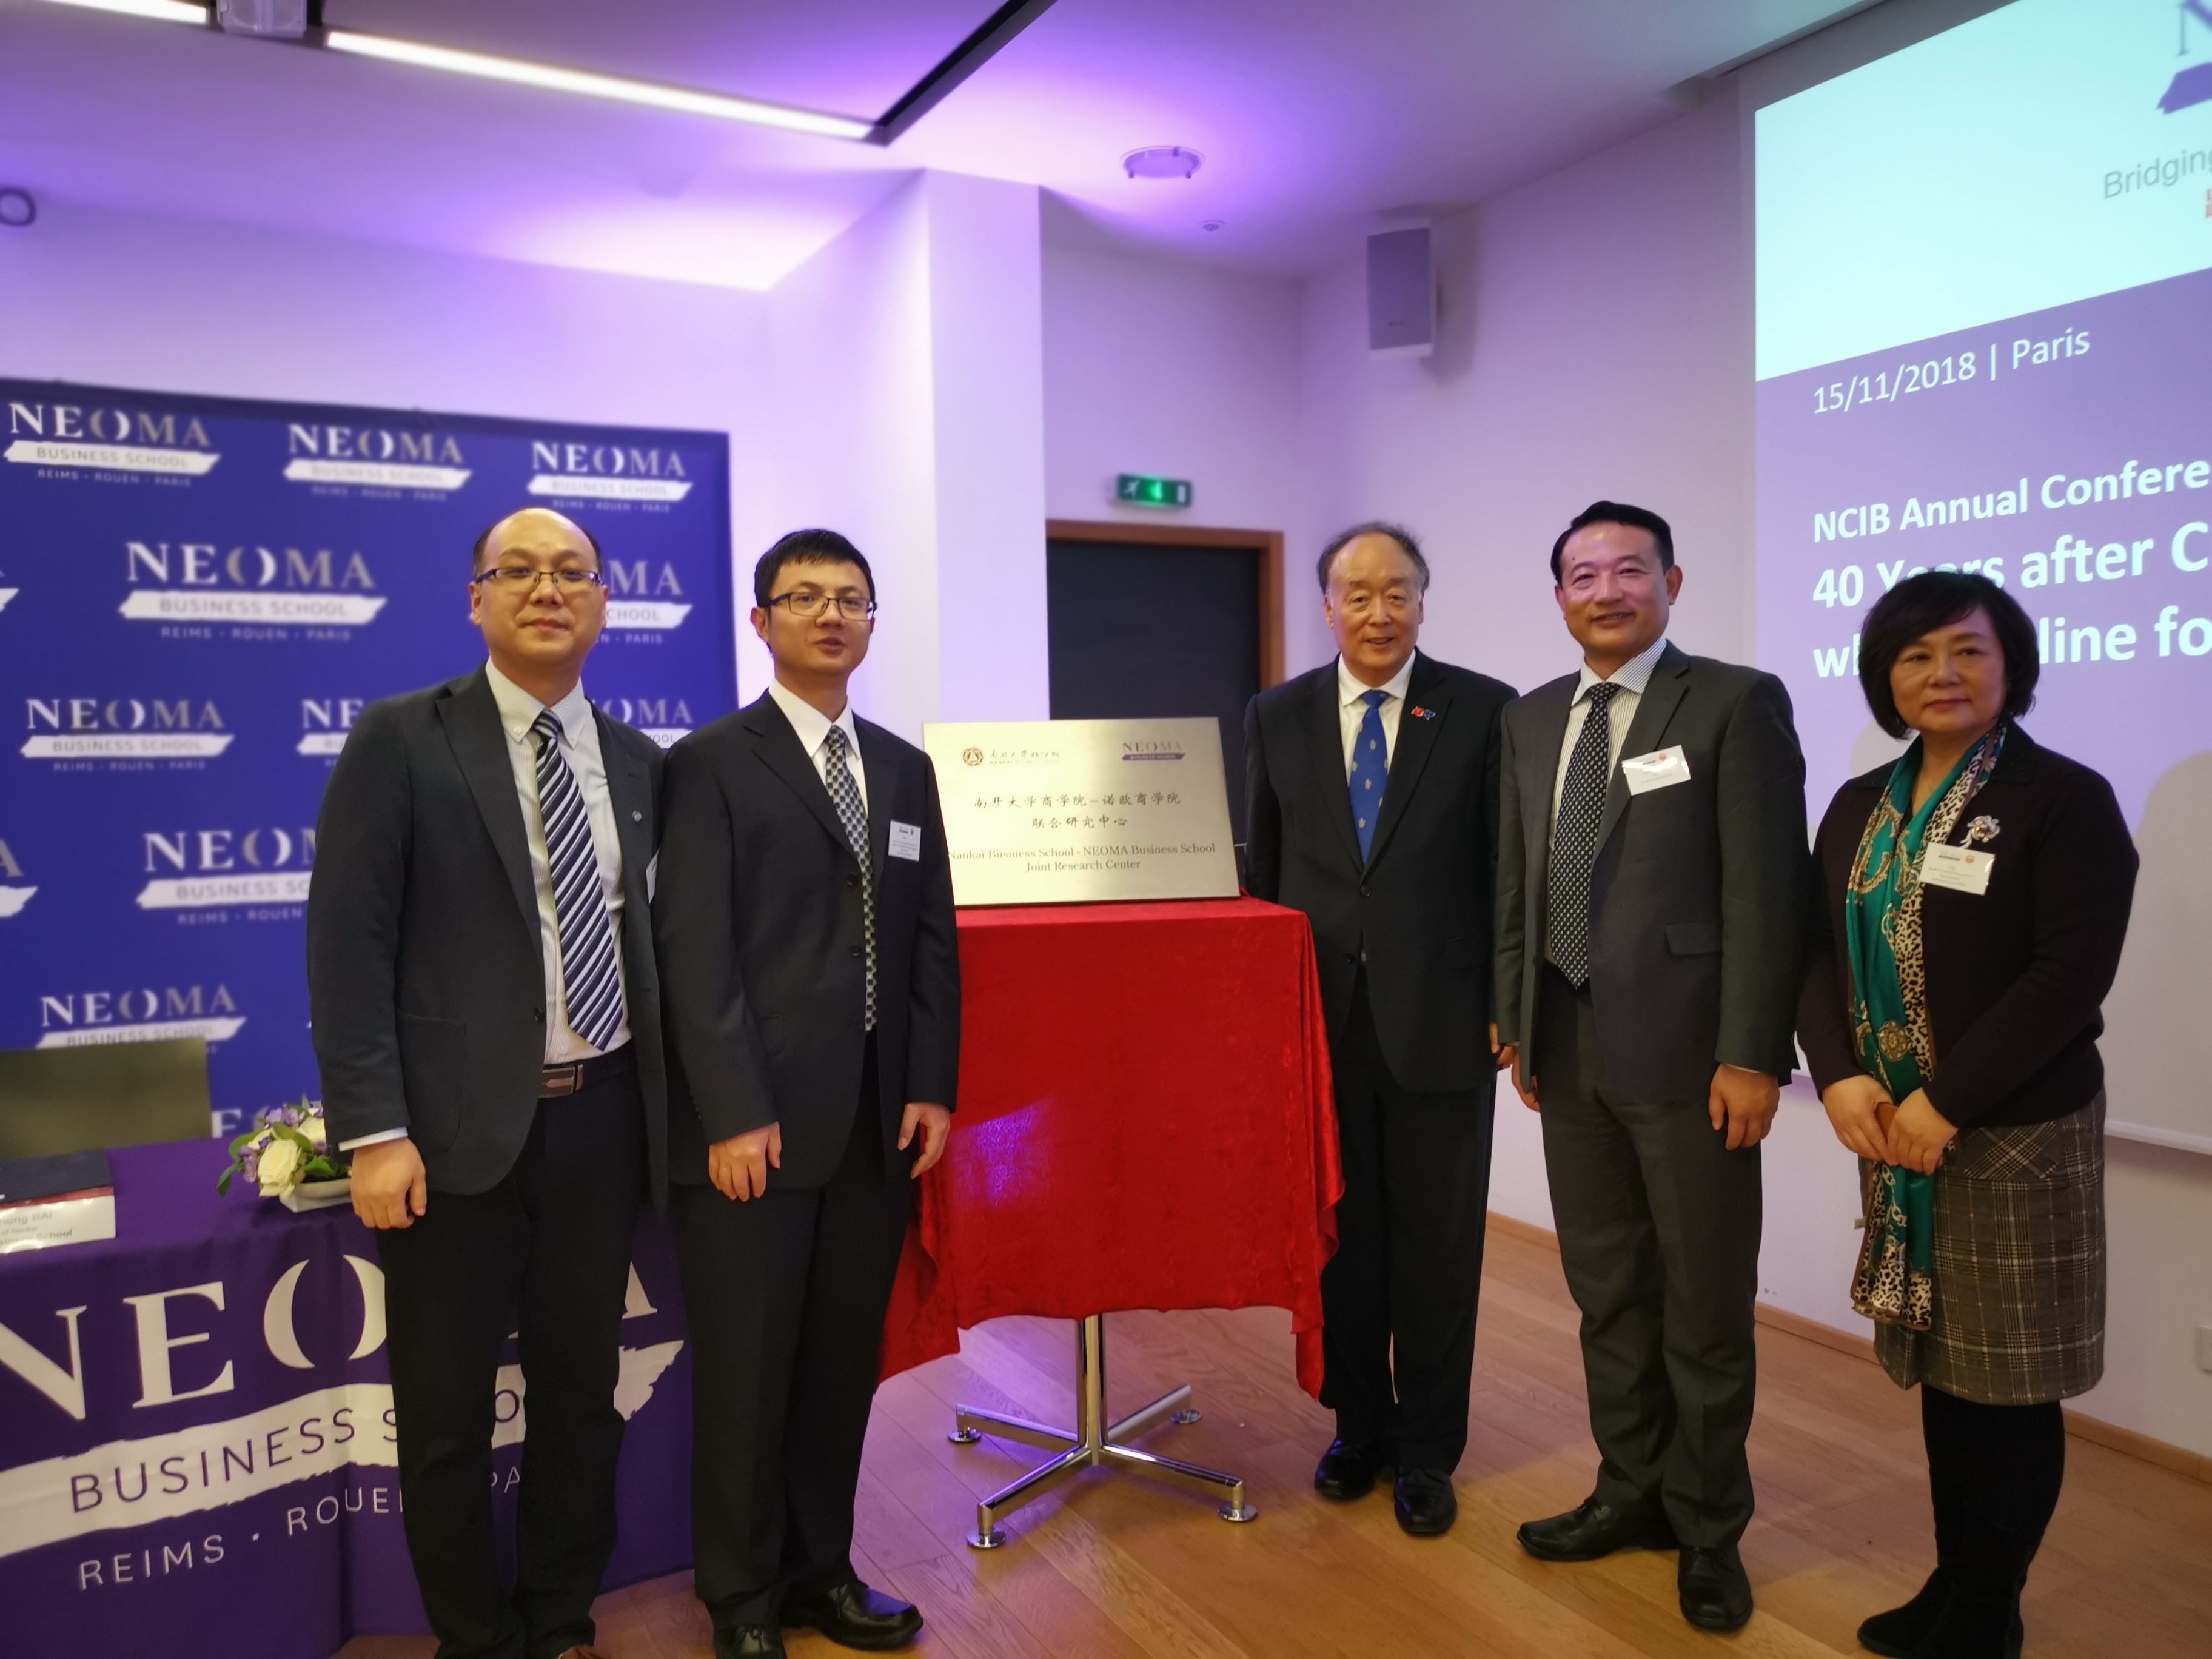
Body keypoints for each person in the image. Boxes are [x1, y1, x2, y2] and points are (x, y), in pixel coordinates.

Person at [308, 506, 668, 1659]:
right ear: (477, 599)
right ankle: (474, 1636)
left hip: (602, 1124)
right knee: (446, 1416)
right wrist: (374, 1129)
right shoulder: (402, 738)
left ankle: (560, 1617)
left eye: (572, 573)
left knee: (581, 1397)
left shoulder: (641, 763)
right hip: (449, 1137)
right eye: (518, 571)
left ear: (603, 602)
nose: (547, 590)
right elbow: (349, 945)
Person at [1798, 571, 2135, 1659]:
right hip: (1895, 1132)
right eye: (1915, 655)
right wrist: (1838, 1074)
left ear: (2011, 664)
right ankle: (1955, 1582)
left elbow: (2067, 977)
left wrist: (1944, 1102)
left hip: (2011, 1134)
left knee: (2008, 1383)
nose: (1941, 674)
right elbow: (1814, 953)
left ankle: (1989, 1612)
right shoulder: (1861, 805)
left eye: (1967, 650)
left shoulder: (2063, 798)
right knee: (1945, 1371)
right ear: (1884, 677)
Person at [1493, 501, 1806, 1632]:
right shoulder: (1533, 718)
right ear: (1559, 598)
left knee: (1705, 1299)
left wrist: (1753, 1053)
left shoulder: (1732, 702)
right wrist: (1514, 1016)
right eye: (1584, 575)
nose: (1607, 590)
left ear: (1673, 583)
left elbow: (1769, 892)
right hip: (1565, 1047)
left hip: (1692, 1057)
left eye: (1631, 570)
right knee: (1608, 1291)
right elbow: (1517, 878)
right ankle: (1630, 1491)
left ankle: (1709, 1527)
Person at [655, 529, 959, 1659]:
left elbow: (931, 942)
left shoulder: (903, 768)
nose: (832, 616)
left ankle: (819, 1574)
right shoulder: (710, 762)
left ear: (872, 621)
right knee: (748, 1376)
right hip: (759, 1130)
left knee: (838, 1369)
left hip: (879, 1125)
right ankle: (740, 1602)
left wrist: (930, 1085)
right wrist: (732, 1109)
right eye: (805, 598)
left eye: (852, 599)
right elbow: (694, 952)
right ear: (762, 621)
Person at [1244, 522, 1517, 1537]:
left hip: (1445, 1021)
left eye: (1396, 592)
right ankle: (1358, 1427)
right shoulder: (1276, 715)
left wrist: (1508, 1001)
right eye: (1356, 595)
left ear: (1423, 601)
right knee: (1344, 1241)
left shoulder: (1483, 709)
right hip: (1319, 1025)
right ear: (1326, 607)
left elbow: (1506, 870)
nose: (1378, 612)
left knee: (1439, 1251)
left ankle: (1429, 1449)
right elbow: (1264, 873)